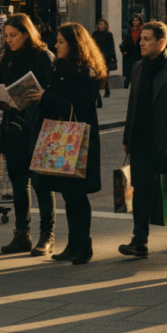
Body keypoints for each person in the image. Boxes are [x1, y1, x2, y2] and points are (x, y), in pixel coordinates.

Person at [26, 23, 106, 265]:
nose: (56, 45)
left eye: (61, 42)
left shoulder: (85, 72)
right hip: (64, 139)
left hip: (78, 139)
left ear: (75, 45)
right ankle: (73, 243)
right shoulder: (60, 67)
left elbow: (78, 108)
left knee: (77, 195)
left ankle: (84, 244)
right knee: (69, 195)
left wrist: (45, 98)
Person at [119, 21, 167, 257]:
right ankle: (139, 240)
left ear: (161, 43)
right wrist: (127, 136)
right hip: (141, 139)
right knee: (139, 189)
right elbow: (133, 105)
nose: (141, 43)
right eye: (141, 39)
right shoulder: (138, 68)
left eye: (147, 39)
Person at [0, 14, 57, 256]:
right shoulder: (8, 57)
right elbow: (2, 85)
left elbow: (52, 93)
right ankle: (22, 234)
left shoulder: (44, 57)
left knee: (42, 183)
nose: (9, 40)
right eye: (6, 36)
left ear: (26, 34)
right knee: (19, 185)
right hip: (15, 128)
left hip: (39, 128)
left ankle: (47, 235)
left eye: (13, 35)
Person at [92, 18, 117, 105]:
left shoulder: (109, 34)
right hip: (96, 57)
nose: (102, 26)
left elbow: (112, 46)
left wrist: (114, 58)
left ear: (106, 25)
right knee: (97, 74)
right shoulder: (94, 34)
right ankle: (100, 90)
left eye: (104, 24)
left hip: (106, 57)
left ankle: (106, 89)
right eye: (100, 24)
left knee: (105, 74)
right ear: (97, 25)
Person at [120, 14, 144, 89]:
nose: (135, 22)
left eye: (137, 20)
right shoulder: (129, 30)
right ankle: (127, 82)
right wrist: (123, 50)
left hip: (140, 53)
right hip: (130, 54)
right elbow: (125, 42)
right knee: (130, 69)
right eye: (134, 20)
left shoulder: (143, 30)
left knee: (140, 69)